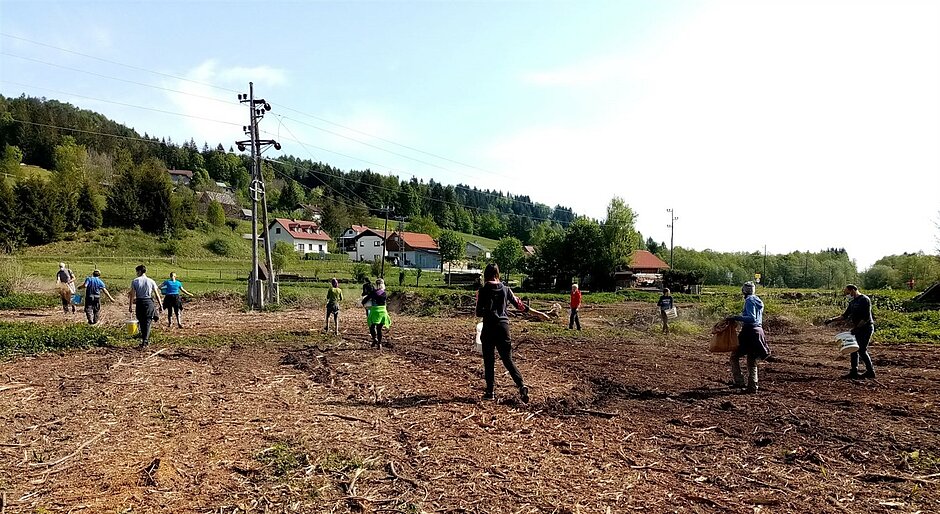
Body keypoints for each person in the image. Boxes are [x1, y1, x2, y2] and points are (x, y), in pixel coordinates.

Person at [475, 263, 549, 403]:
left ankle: (490, 392)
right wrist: (539, 313)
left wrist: (487, 309)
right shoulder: (506, 289)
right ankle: (521, 385)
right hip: (503, 327)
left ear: (486, 275)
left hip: (489, 327)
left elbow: (478, 312)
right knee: (508, 360)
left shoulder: (482, 290)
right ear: (498, 274)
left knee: (489, 361)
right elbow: (519, 305)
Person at [726, 281, 770, 394]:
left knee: (734, 356)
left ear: (744, 291)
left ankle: (739, 381)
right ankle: (752, 386)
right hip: (758, 332)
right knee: (752, 360)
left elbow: (752, 318)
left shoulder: (749, 300)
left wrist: (735, 317)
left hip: (749, 332)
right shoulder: (758, 300)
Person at [825, 284, 875, 379]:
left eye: (847, 292)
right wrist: (831, 319)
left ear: (853, 290)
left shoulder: (864, 300)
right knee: (853, 349)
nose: (847, 294)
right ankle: (853, 372)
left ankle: (870, 372)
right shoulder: (852, 303)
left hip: (866, 328)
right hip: (857, 328)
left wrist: (857, 328)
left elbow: (866, 317)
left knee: (862, 350)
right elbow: (844, 316)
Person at [128, 265, 163, 348]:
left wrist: (130, 305)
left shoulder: (135, 281)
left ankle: (144, 339)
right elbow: (157, 294)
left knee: (141, 320)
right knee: (147, 321)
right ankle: (145, 340)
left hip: (139, 302)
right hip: (148, 302)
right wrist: (160, 304)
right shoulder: (151, 281)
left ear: (139, 271)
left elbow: (132, 294)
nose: (136, 273)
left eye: (137, 272)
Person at [362, 278, 390, 349]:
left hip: (374, 311)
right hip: (383, 312)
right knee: (379, 329)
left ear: (376, 285)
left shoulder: (373, 293)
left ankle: (375, 339)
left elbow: (364, 301)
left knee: (371, 326)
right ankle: (379, 344)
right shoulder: (384, 293)